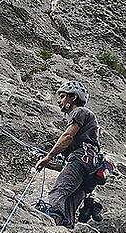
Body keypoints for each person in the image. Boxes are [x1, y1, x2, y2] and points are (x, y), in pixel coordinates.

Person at [35, 80, 107, 225]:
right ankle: (65, 226)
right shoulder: (88, 128)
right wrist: (49, 164)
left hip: (80, 161)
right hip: (89, 171)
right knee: (69, 205)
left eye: (62, 96)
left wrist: (49, 156)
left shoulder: (79, 112)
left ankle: (51, 220)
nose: (59, 101)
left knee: (58, 192)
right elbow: (72, 170)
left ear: (73, 97)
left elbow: (67, 137)